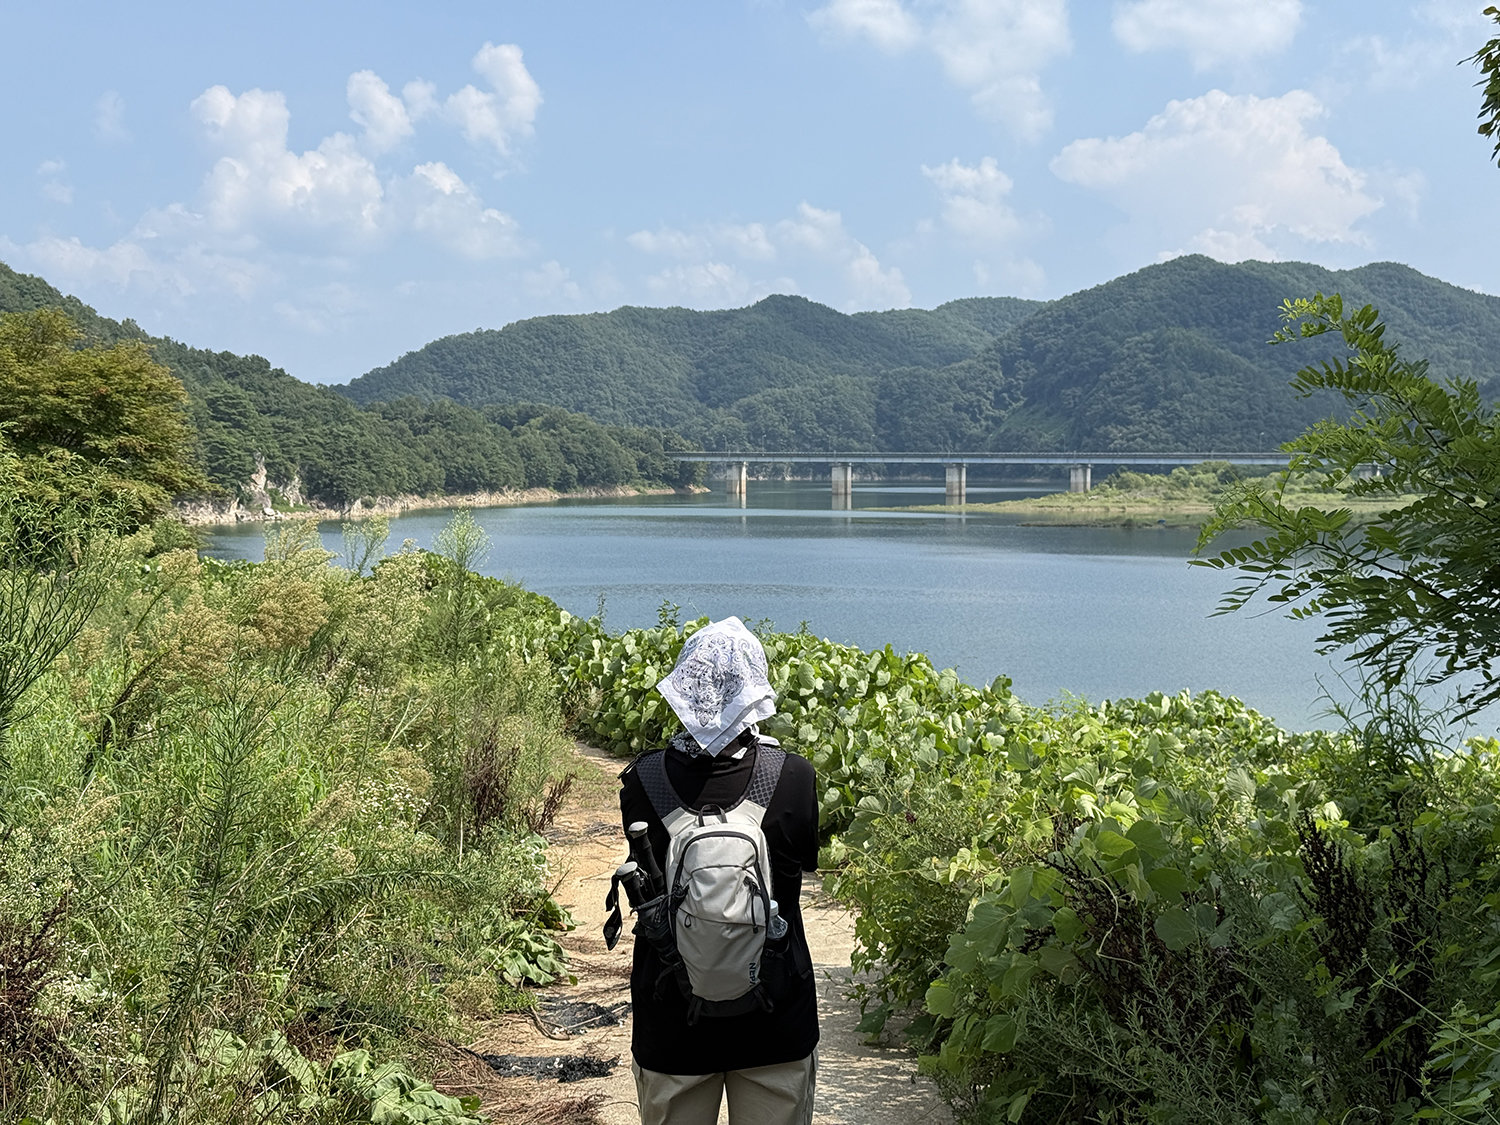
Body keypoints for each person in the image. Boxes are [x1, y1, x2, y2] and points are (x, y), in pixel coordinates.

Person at [618, 616, 820, 1125]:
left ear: (685, 686)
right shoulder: (794, 776)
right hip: (777, 1015)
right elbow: (801, 864)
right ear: (754, 690)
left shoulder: (642, 780)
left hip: (672, 1017)